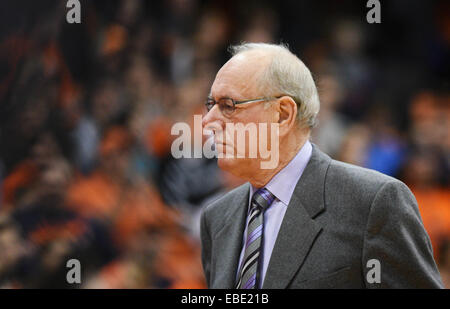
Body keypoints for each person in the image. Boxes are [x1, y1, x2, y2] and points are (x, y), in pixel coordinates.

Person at [200, 43, 443, 289]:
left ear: (283, 114)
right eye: (211, 105)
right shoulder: (217, 217)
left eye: (228, 106)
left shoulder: (374, 202)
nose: (207, 121)